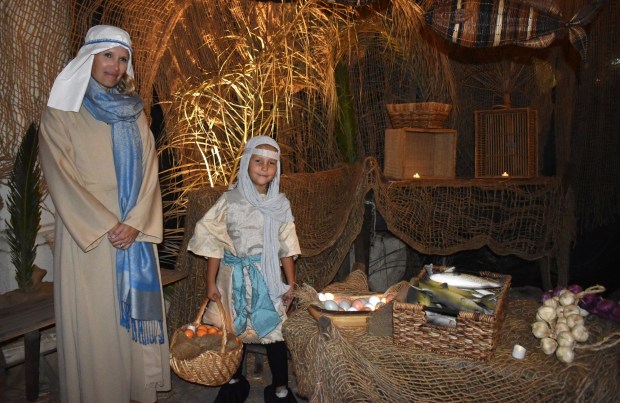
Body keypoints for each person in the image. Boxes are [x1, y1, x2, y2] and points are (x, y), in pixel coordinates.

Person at [39, 25, 170, 402]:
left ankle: (135, 390)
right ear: (88, 58)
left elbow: (149, 170)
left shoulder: (135, 113)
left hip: (133, 232)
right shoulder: (61, 112)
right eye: (108, 55)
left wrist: (135, 222)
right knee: (96, 326)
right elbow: (61, 176)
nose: (115, 65)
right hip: (91, 239)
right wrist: (109, 225)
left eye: (123, 58)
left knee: (128, 332)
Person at [188, 135, 300, 403]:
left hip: (268, 277)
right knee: (232, 331)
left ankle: (281, 388)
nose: (264, 168)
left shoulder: (279, 205)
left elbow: (287, 246)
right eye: (258, 161)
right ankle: (234, 380)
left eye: (271, 163)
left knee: (274, 332)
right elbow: (214, 242)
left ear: (277, 169)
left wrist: (291, 284)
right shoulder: (229, 201)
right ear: (246, 163)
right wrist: (211, 282)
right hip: (232, 277)